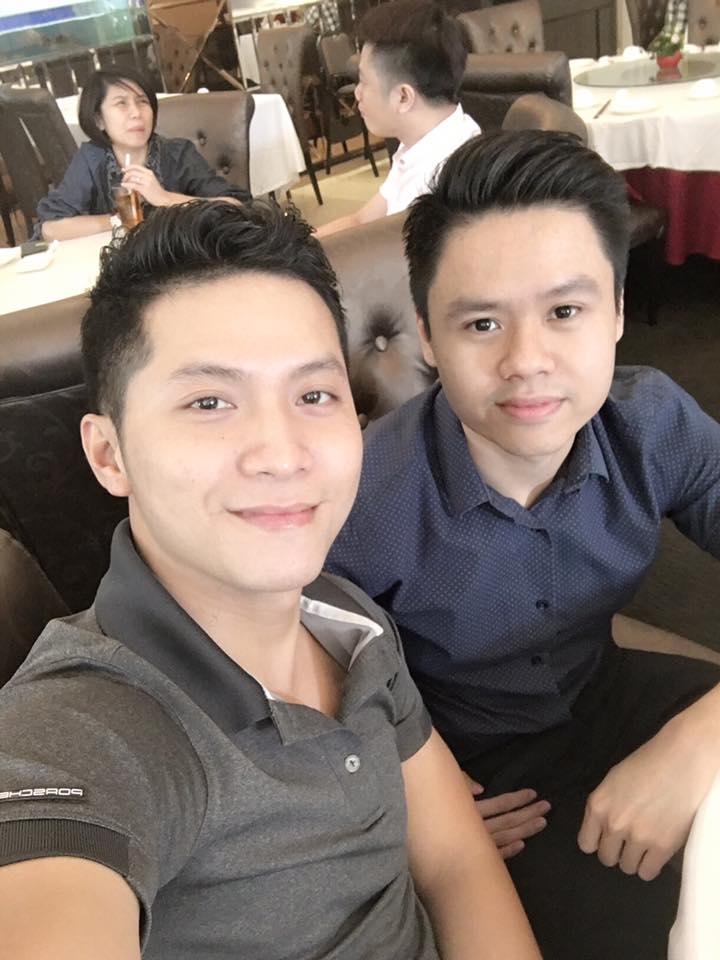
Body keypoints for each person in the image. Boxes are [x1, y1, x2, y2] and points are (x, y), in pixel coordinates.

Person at [0, 199, 541, 960]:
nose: (282, 453)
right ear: (109, 455)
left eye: (313, 395)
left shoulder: (345, 617)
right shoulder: (86, 731)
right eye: (209, 401)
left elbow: (455, 862)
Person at [326, 130, 720, 960]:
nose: (526, 362)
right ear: (429, 337)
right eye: (481, 323)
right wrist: (410, 809)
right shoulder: (360, 501)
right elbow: (297, 696)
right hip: (473, 773)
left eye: (565, 312)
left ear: (617, 311)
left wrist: (701, 738)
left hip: (610, 691)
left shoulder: (650, 423)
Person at [316, 0, 479, 238]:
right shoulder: (430, 140)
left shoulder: (441, 183)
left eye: (364, 82)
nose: (357, 93)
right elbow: (361, 220)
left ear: (403, 97)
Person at [37, 68, 250, 241]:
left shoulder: (178, 154)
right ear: (99, 120)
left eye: (142, 102)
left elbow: (235, 207)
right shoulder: (92, 158)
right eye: (121, 103)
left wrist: (165, 198)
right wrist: (120, 219)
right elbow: (51, 228)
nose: (136, 113)